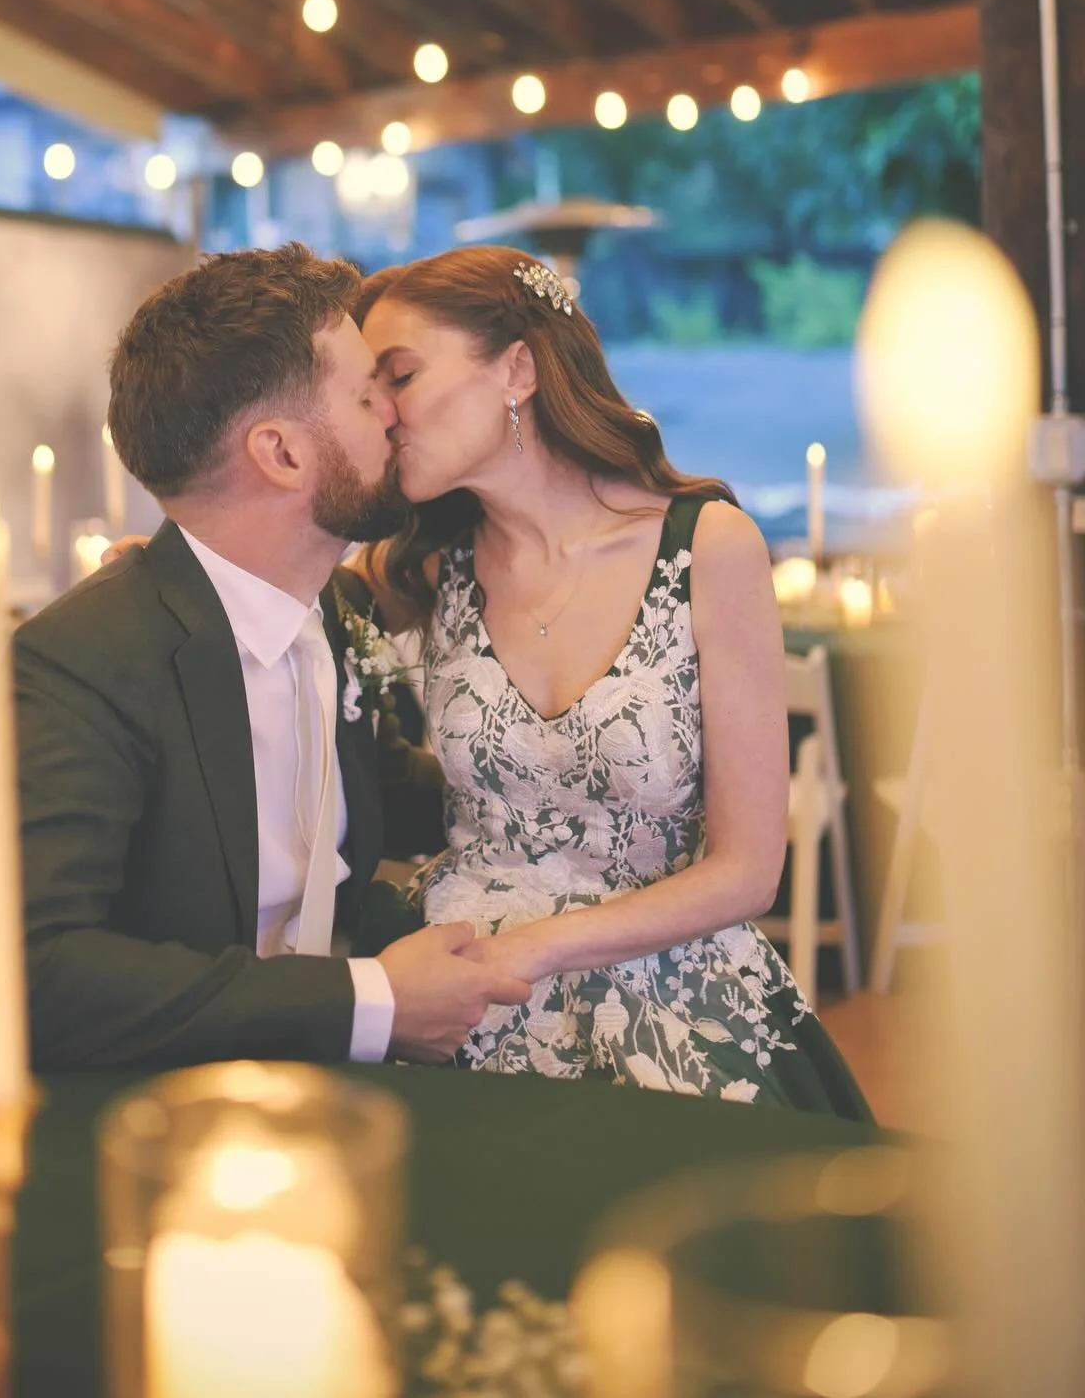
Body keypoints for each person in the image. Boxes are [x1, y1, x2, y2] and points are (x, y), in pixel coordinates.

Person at [353, 245, 868, 1114]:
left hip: (663, 991)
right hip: (457, 987)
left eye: (398, 377)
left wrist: (539, 948)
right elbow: (269, 602)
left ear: (517, 367)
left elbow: (748, 872)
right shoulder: (423, 566)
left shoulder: (708, 546)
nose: (383, 416)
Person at [13, 243, 530, 1070]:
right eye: (368, 395)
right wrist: (372, 1002)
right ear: (282, 453)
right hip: (166, 1120)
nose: (397, 414)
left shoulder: (328, 611)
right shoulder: (87, 661)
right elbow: (39, 975)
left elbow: (398, 798)